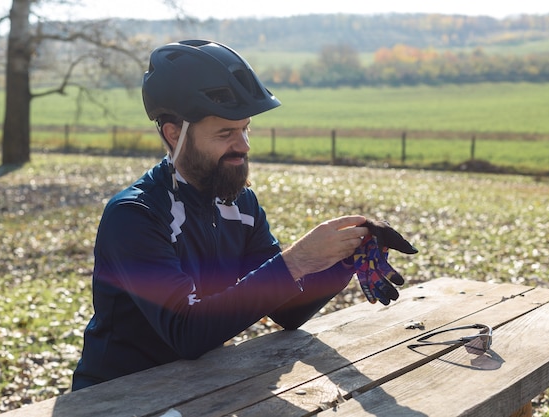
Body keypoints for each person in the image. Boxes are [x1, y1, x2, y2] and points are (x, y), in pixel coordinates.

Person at [72, 39, 416, 391]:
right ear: (174, 134)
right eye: (225, 133)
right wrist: (297, 261)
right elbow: (186, 332)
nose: (244, 145)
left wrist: (343, 256)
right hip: (115, 396)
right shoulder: (135, 215)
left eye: (245, 128)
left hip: (196, 390)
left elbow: (288, 310)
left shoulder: (240, 204)